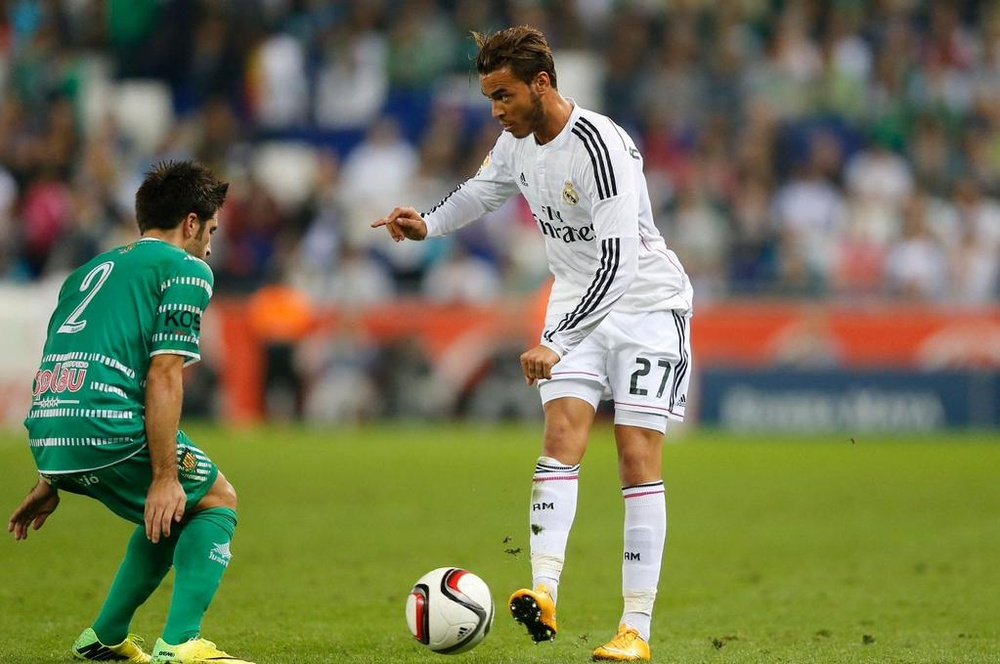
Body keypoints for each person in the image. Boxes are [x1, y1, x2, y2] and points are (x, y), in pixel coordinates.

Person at [373, 26, 693, 663]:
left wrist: (557, 339)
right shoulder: (517, 143)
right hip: (576, 296)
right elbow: (483, 190)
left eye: (503, 96)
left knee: (635, 455)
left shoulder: (601, 147)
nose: (496, 110)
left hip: (648, 305)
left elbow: (620, 260)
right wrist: (429, 224)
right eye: (490, 97)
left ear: (541, 84)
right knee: (561, 437)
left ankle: (636, 630)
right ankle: (543, 589)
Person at [7, 161, 254, 664]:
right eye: (209, 230)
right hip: (105, 423)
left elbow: (59, 357)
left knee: (168, 515)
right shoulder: (186, 269)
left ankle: (103, 638)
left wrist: (51, 475)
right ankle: (181, 644)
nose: (210, 245)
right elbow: (164, 372)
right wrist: (166, 474)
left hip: (51, 430)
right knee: (216, 499)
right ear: (190, 223)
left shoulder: (85, 274)